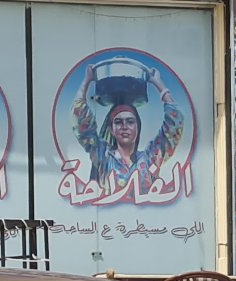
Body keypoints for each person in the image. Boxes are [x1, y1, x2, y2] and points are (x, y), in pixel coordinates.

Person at [72, 63, 184, 195]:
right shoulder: (103, 156)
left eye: (130, 121)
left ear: (138, 127)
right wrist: (86, 80)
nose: (124, 126)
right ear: (111, 129)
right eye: (118, 122)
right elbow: (80, 120)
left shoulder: (149, 158)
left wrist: (159, 84)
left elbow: (175, 125)